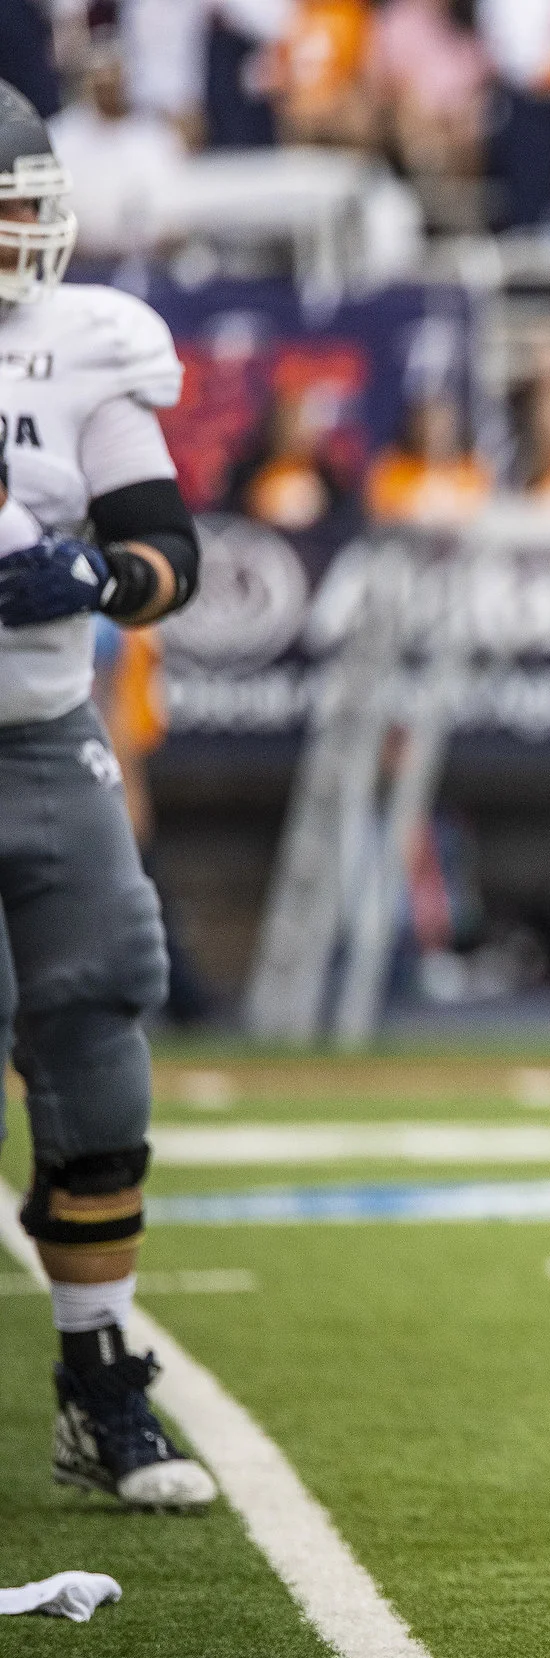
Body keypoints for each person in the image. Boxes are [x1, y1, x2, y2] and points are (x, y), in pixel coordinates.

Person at [0, 78, 215, 1507]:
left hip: (38, 728)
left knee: (99, 1003)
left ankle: (95, 1370)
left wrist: (92, 575)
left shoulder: (84, 343)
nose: (25, 234)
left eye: (28, 206)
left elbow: (165, 552)